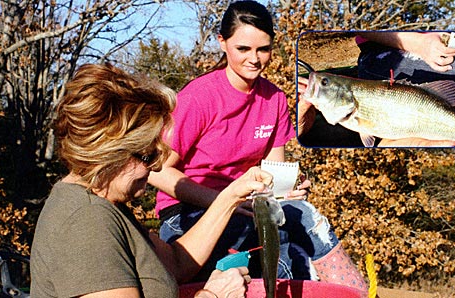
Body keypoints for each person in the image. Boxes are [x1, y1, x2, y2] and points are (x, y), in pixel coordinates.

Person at [148, 0, 367, 293]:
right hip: (191, 212)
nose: (254, 59)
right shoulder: (199, 98)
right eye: (243, 49)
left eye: (263, 49)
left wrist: (288, 187)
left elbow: (272, 174)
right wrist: (225, 201)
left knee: (308, 219)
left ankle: (356, 292)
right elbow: (156, 170)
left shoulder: (274, 98)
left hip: (249, 206)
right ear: (222, 43)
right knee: (265, 249)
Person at [30, 63, 274, 298]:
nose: (157, 165)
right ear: (108, 154)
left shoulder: (106, 206)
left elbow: (178, 263)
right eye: (147, 155)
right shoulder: (86, 223)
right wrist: (212, 295)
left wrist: (229, 198)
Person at [297, 31, 455, 147]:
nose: (320, 84)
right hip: (383, 50)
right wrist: (418, 43)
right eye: (325, 83)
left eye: (325, 83)